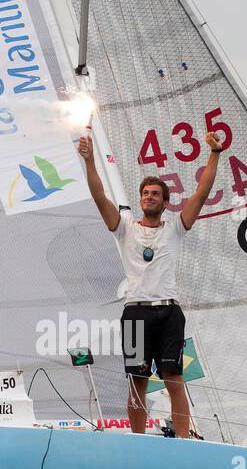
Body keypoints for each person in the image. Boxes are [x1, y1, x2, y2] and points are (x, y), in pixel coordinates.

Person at [78, 129, 223, 437]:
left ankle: (183, 439)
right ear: (141, 199)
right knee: (137, 380)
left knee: (174, 379)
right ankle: (138, 440)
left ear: (165, 201)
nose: (149, 197)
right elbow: (98, 196)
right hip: (136, 313)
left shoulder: (176, 227)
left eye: (156, 194)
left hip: (169, 312)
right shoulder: (124, 228)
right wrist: (90, 161)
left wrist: (214, 154)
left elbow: (201, 192)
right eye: (145, 194)